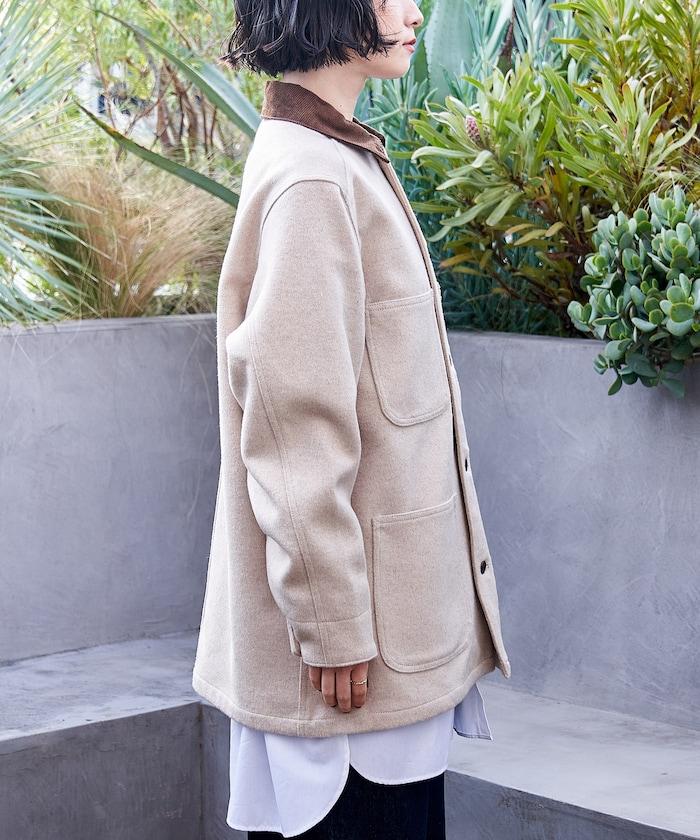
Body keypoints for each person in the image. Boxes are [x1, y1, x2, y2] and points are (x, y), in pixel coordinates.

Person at [191, 1, 512, 838]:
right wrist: (330, 622)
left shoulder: (335, 157)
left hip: (382, 652)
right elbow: (295, 430)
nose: (414, 11)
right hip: (349, 677)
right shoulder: (312, 178)